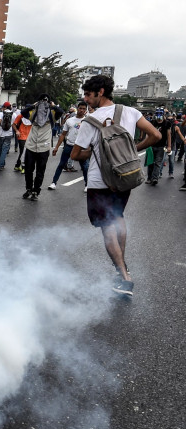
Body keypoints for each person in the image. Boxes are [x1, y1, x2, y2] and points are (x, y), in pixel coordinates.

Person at [71, 75, 160, 296]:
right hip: (124, 177)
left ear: (100, 92)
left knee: (107, 226)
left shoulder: (90, 121)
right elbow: (156, 135)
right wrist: (133, 149)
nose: (85, 99)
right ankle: (123, 267)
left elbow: (76, 155)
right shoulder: (131, 112)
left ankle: (124, 277)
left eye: (88, 94)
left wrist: (94, 149)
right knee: (118, 218)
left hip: (99, 181)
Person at [19, 95, 64, 200]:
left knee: (40, 170)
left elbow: (60, 112)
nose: (43, 104)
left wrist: (52, 106)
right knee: (28, 169)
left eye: (46, 101)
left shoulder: (52, 114)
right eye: (42, 101)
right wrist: (33, 105)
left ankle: (36, 191)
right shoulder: (33, 113)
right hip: (31, 144)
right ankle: (29, 189)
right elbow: (23, 112)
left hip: (44, 146)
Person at [49, 101, 89, 190]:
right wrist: (56, 147)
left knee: (85, 167)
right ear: (77, 109)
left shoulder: (87, 121)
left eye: (84, 109)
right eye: (80, 108)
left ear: (85, 110)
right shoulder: (69, 120)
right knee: (61, 164)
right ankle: (53, 183)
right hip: (69, 146)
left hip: (81, 147)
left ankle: (87, 185)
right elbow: (63, 134)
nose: (81, 110)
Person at [145, 108, 171, 185]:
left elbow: (169, 135)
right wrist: (146, 143)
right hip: (152, 145)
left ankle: (154, 178)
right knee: (150, 163)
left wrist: (169, 146)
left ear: (163, 115)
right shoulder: (152, 122)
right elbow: (148, 133)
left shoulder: (167, 123)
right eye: (157, 113)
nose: (158, 115)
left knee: (158, 163)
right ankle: (149, 178)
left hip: (161, 146)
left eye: (160, 113)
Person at [0, 102, 15, 170]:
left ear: (5, 107)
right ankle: (2, 164)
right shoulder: (13, 114)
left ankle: (0, 165)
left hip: (1, 134)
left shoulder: (1, 113)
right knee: (4, 150)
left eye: (3, 107)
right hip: (9, 134)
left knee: (1, 150)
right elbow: (13, 124)